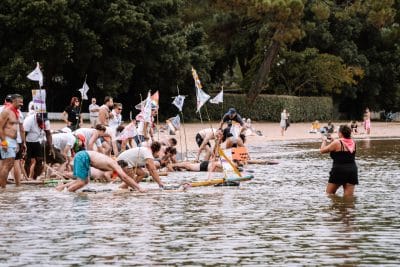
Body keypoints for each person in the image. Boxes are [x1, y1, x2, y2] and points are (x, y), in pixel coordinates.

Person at [55, 150, 146, 193]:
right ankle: (68, 194)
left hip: (84, 156)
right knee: (82, 183)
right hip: (84, 156)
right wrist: (139, 188)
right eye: (126, 170)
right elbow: (125, 177)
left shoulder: (114, 164)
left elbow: (125, 178)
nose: (126, 171)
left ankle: (61, 188)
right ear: (122, 167)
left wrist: (133, 187)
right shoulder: (115, 165)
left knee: (84, 181)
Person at [320, 125, 358, 197]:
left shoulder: (337, 143)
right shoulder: (353, 142)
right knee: (348, 199)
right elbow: (345, 149)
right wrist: (334, 141)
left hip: (339, 171)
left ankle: (336, 207)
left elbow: (322, 150)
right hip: (352, 171)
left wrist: (324, 141)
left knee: (329, 194)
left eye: (338, 132)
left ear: (340, 133)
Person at [0, 94, 25, 188]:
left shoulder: (17, 112)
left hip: (13, 141)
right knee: (6, 164)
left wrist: (20, 143)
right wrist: (3, 142)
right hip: (6, 140)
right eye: (20, 102)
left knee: (9, 164)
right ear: (13, 101)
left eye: (22, 102)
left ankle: (3, 187)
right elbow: (0, 127)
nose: (21, 104)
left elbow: (19, 129)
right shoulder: (6, 112)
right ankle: (3, 189)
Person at [23, 112, 53, 180]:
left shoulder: (46, 121)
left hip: (36, 141)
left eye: (43, 120)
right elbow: (24, 134)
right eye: (40, 120)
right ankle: (26, 178)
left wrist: (51, 147)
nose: (42, 121)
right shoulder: (29, 120)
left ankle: (34, 177)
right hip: (27, 141)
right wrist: (24, 146)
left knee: (40, 160)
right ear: (37, 116)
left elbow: (48, 134)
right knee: (28, 160)